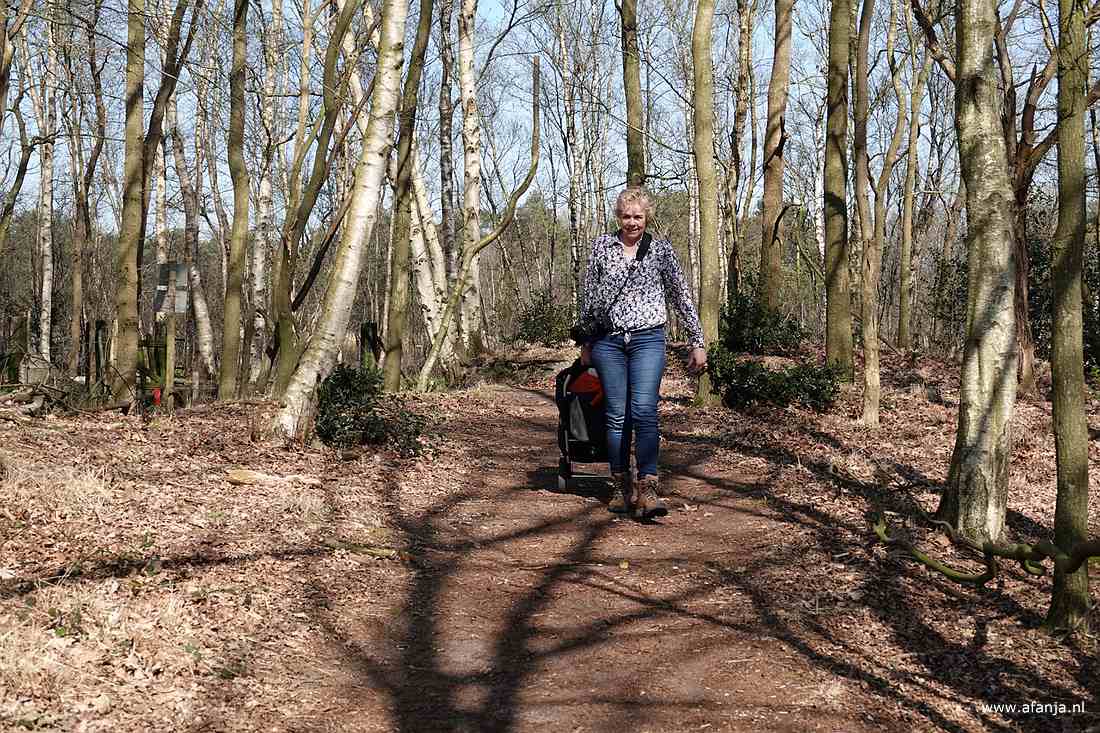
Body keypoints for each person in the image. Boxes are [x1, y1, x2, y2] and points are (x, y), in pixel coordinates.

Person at [577, 186, 707, 519]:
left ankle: (649, 488)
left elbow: (681, 296)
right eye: (626, 216)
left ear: (646, 216)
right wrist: (586, 343)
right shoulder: (602, 248)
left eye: (637, 216)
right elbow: (589, 298)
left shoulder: (661, 251)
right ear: (617, 216)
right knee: (616, 415)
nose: (631, 222)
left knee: (645, 410)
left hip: (648, 339)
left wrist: (697, 341)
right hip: (608, 341)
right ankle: (622, 487)